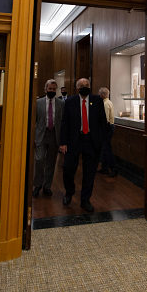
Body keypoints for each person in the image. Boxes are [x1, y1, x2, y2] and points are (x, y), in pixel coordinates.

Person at [60, 77, 108, 212]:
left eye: (87, 85)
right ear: (77, 88)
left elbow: (102, 122)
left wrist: (100, 139)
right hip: (74, 140)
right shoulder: (70, 102)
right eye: (82, 85)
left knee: (90, 172)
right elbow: (65, 123)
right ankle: (69, 192)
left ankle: (85, 200)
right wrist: (63, 143)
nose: (85, 87)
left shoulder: (97, 100)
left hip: (91, 141)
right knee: (68, 168)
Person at [33, 79, 64, 197]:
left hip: (54, 135)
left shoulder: (61, 103)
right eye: (50, 89)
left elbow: (63, 121)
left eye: (54, 89)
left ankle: (47, 186)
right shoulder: (38, 102)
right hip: (41, 134)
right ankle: (37, 185)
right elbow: (34, 120)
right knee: (39, 160)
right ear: (45, 89)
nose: (52, 91)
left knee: (51, 163)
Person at [97, 87, 118, 177]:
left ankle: (113, 168)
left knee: (107, 149)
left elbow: (104, 119)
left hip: (106, 128)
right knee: (105, 148)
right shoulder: (109, 102)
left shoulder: (105, 104)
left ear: (101, 95)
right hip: (109, 127)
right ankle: (104, 167)